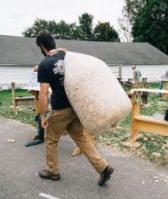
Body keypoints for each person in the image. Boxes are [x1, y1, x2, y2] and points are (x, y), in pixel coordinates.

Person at [36, 30, 113, 186]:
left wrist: (42, 116)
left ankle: (53, 171)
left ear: (42, 46)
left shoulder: (44, 65)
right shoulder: (67, 56)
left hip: (60, 109)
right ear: (53, 43)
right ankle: (103, 167)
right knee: (81, 138)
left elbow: (43, 93)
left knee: (50, 139)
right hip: (76, 105)